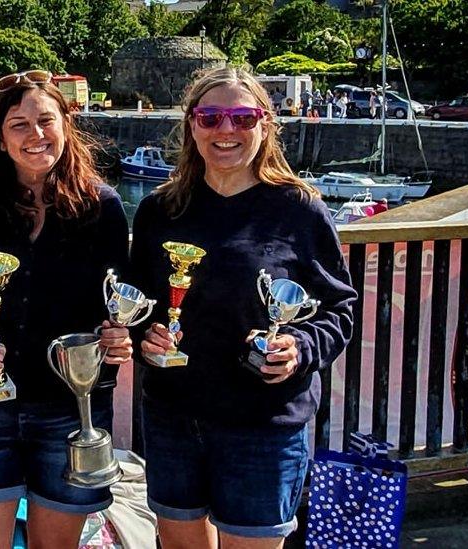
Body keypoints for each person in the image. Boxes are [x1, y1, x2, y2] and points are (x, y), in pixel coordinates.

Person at [131, 66, 356, 549]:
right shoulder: (159, 210)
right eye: (210, 117)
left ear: (266, 124)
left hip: (264, 425)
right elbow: (138, 304)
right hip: (174, 419)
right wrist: (143, 337)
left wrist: (299, 346)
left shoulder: (299, 209)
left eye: (242, 117)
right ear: (191, 125)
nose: (226, 130)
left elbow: (339, 309)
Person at [0, 69, 133, 549]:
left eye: (46, 120)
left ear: (66, 126)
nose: (35, 134)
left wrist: (117, 336)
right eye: (18, 124)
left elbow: (119, 299)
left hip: (71, 408)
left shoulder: (100, 208)